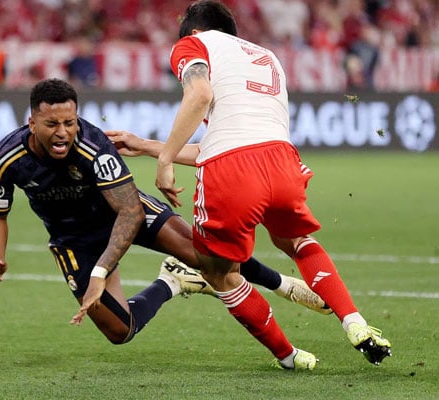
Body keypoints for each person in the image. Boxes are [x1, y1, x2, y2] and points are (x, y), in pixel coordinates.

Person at [0, 78, 328, 348]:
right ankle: (172, 280)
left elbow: (130, 212)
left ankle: (284, 286)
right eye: (52, 124)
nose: (62, 133)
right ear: (32, 123)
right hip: (74, 240)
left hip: (126, 212)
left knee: (210, 255)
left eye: (69, 122)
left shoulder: (93, 147)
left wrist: (102, 271)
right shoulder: (5, 160)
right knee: (120, 331)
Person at [142, 0, 390, 368]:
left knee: (218, 271)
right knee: (296, 241)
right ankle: (355, 321)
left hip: (232, 169)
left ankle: (290, 357)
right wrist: (149, 146)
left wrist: (164, 160)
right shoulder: (266, 56)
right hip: (283, 161)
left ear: (194, 31)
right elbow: (232, 139)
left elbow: (200, 96)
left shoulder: (193, 43)